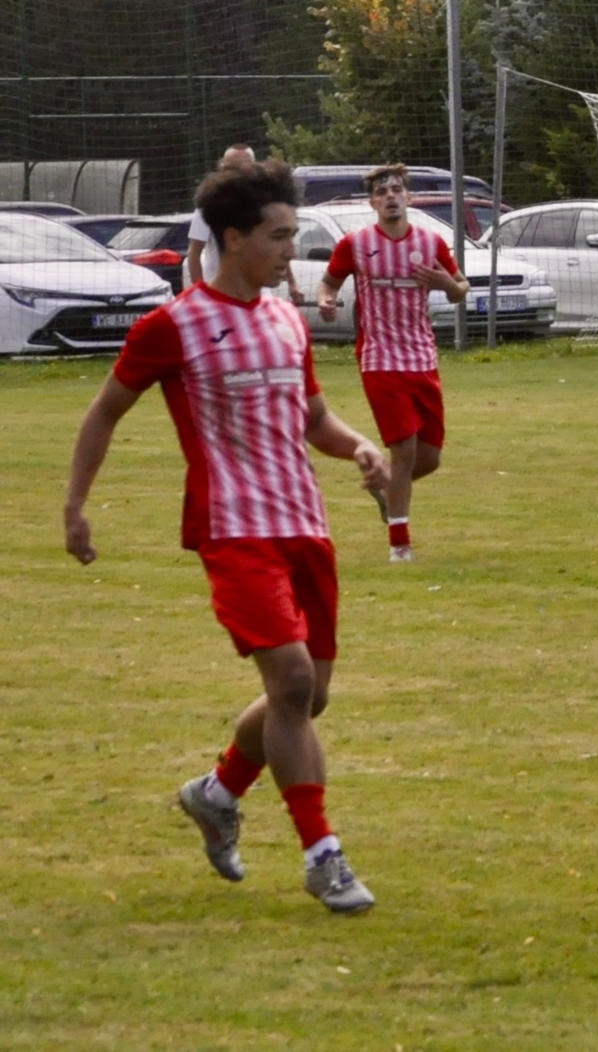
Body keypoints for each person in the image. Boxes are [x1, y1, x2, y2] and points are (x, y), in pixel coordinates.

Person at [63, 160, 389, 914]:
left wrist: (359, 446)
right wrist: (76, 505)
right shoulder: (172, 326)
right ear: (233, 239)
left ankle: (216, 792)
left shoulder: (285, 319)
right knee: (293, 683)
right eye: (278, 236)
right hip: (235, 531)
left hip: (305, 525)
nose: (291, 250)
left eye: (293, 234)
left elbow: (312, 418)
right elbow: (105, 410)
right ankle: (323, 857)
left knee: (308, 698)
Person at [316, 164, 468, 562]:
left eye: (397, 190)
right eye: (382, 192)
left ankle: (383, 484)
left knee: (428, 459)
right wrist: (326, 301)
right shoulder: (356, 244)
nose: (390, 197)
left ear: (409, 198)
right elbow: (329, 282)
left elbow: (461, 289)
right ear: (372, 203)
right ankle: (399, 544)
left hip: (422, 357)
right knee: (403, 450)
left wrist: (447, 284)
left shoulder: (431, 242)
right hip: (379, 358)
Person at [188, 145, 302, 305]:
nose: (239, 173)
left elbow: (280, 244)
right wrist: (201, 296)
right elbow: (194, 254)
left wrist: (292, 283)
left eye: (245, 167)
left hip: (260, 298)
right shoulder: (206, 209)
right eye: (232, 168)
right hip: (221, 297)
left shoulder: (266, 207)